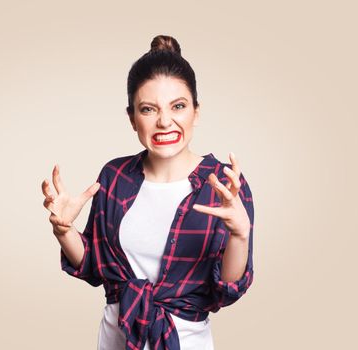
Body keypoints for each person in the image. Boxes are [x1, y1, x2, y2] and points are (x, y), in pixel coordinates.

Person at [41, 35, 254, 350]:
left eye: (178, 106)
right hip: (115, 340)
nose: (165, 121)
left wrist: (240, 235)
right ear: (132, 119)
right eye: (148, 109)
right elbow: (93, 267)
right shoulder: (114, 177)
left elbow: (226, 290)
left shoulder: (223, 184)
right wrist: (63, 230)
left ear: (196, 111)